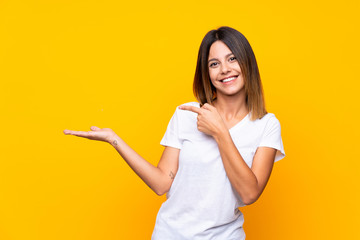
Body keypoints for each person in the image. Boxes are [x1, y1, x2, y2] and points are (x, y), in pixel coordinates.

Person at [63, 26, 285, 240]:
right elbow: (161, 184)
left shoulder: (266, 125)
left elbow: (249, 193)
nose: (224, 69)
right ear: (207, 73)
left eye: (232, 58)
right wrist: (114, 140)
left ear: (248, 63)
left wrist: (219, 132)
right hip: (171, 234)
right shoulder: (186, 115)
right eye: (214, 63)